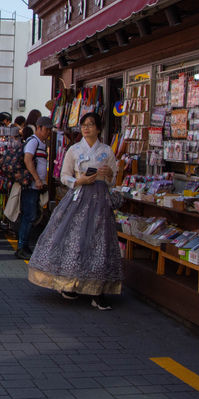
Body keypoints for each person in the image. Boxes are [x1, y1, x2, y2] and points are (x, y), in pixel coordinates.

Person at [27, 112, 121, 310]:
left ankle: (98, 289)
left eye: (91, 124)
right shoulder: (74, 150)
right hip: (78, 198)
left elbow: (113, 180)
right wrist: (79, 181)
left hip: (100, 200)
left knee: (99, 242)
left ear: (98, 128)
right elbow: (64, 176)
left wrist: (109, 174)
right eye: (83, 125)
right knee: (74, 240)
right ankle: (70, 283)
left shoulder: (106, 151)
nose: (86, 128)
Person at [16, 116, 53, 259]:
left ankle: (23, 246)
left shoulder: (41, 143)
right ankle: (21, 247)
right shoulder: (33, 141)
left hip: (36, 186)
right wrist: (37, 179)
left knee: (32, 216)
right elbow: (27, 159)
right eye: (47, 129)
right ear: (39, 128)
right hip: (31, 186)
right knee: (29, 216)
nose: (49, 132)